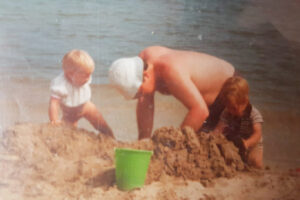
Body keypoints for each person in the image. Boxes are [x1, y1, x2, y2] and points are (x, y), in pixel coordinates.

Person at [109, 46, 235, 139]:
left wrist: (174, 144)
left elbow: (200, 111)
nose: (139, 98)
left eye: (137, 93)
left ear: (145, 76)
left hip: (232, 94)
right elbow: (145, 101)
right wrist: (143, 142)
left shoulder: (169, 70)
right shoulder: (144, 60)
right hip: (208, 105)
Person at [48, 49, 114, 138]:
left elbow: (85, 79)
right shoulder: (60, 85)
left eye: (90, 74)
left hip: (86, 106)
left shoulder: (84, 77)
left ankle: (111, 138)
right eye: (86, 75)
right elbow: (54, 103)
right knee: (70, 132)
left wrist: (85, 76)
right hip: (70, 113)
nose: (89, 78)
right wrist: (54, 120)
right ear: (70, 74)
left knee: (102, 125)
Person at [212, 76, 263, 168]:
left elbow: (257, 134)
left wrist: (247, 143)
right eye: (228, 107)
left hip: (252, 144)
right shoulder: (227, 112)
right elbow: (219, 128)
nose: (231, 111)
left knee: (255, 162)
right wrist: (212, 137)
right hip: (235, 142)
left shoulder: (253, 113)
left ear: (245, 102)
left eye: (234, 108)